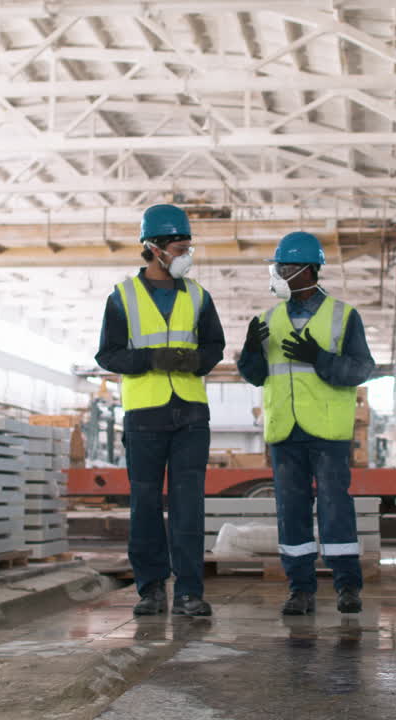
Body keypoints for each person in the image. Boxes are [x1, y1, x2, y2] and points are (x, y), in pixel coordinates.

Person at [95, 204, 225, 617]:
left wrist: (194, 361)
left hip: (190, 416)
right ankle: (151, 589)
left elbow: (213, 347)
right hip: (145, 416)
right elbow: (108, 354)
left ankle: (189, 591)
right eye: (180, 247)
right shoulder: (123, 297)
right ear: (154, 248)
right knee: (145, 505)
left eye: (188, 247)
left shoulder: (200, 296)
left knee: (189, 505)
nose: (186, 255)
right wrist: (151, 358)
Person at [237, 231, 375, 615]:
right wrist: (248, 350)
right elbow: (256, 375)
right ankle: (300, 589)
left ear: (310, 270)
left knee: (334, 505)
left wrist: (320, 358)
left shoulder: (344, 316)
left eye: (286, 267)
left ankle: (348, 586)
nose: (279, 273)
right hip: (284, 430)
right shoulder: (266, 320)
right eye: (277, 267)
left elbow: (362, 369)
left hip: (328, 431)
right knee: (290, 509)